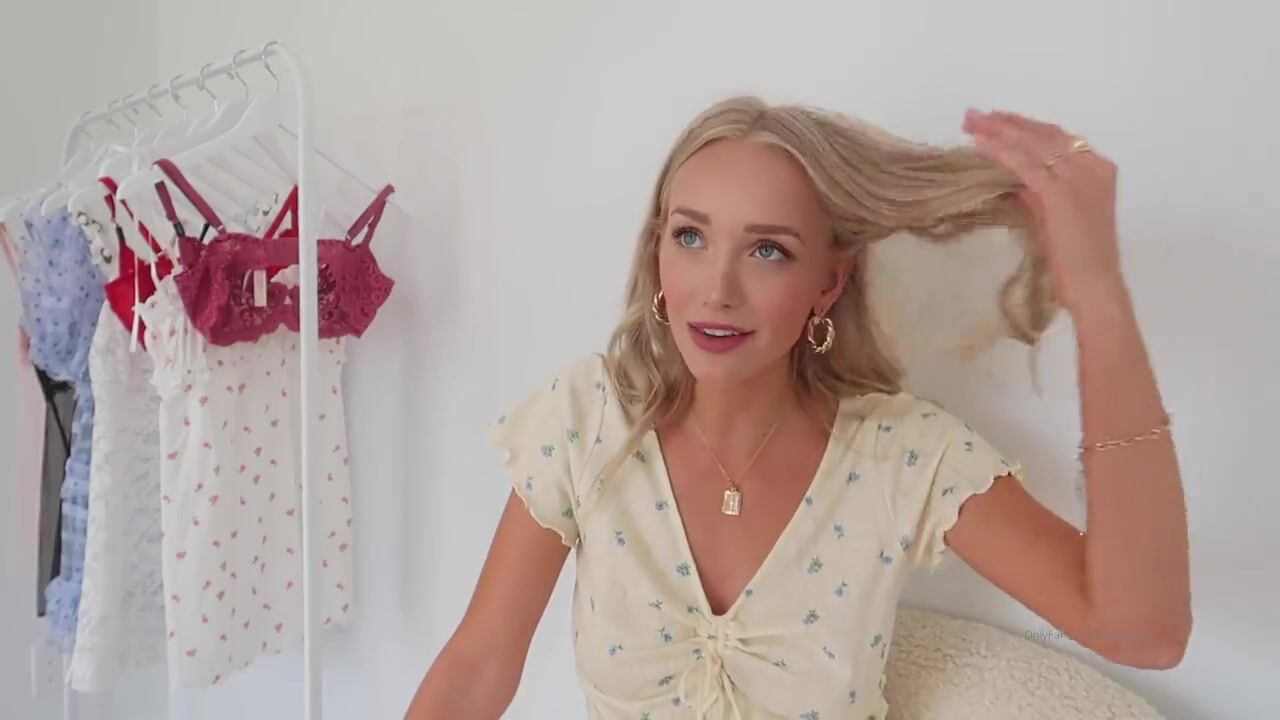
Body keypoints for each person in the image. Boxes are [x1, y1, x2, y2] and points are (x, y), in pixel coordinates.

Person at [405, 96, 1191, 719]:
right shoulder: (586, 420)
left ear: (829, 282)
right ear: (656, 251)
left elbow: (1141, 631)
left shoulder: (902, 456)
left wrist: (1098, 293)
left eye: (767, 250)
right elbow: (476, 671)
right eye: (690, 237)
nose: (717, 289)